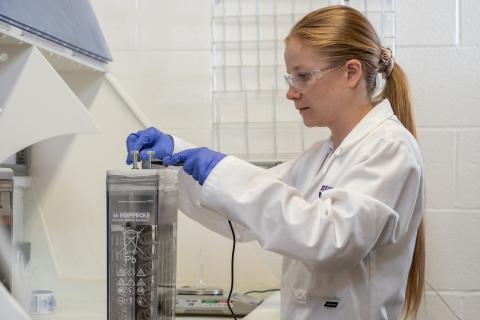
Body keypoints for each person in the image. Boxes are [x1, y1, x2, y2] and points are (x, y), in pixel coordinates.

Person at [126, 5, 424, 320]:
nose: (290, 93)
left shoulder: (389, 149)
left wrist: (218, 168)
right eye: (290, 77)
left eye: (304, 76)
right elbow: (244, 219)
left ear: (351, 72)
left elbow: (329, 240)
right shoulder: (322, 156)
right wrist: (174, 163)